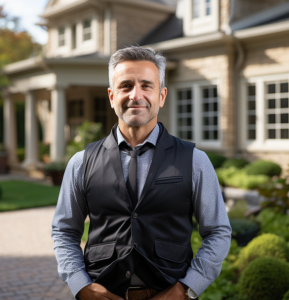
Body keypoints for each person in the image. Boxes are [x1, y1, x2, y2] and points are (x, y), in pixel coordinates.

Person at [52, 46, 232, 300]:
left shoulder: (195, 160)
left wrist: (187, 289)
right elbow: (64, 230)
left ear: (162, 95)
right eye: (126, 85)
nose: (136, 95)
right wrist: (81, 285)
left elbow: (217, 231)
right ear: (112, 96)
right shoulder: (81, 162)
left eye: (147, 85)